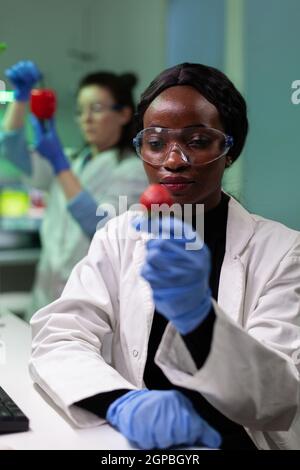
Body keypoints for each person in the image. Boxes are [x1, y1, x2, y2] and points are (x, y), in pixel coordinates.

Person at [29, 63, 300, 450]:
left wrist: (199, 319)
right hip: (139, 443)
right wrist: (121, 403)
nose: (173, 160)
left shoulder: (283, 250)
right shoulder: (120, 236)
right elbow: (59, 335)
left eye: (197, 140)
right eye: (156, 143)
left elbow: (278, 396)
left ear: (229, 151)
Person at [0, 61, 147, 318]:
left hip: (89, 306)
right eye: (80, 111)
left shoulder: (133, 170)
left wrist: (58, 163)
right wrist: (21, 97)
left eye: (96, 109)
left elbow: (99, 223)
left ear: (124, 114)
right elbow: (11, 149)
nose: (86, 119)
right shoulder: (72, 161)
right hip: (44, 299)